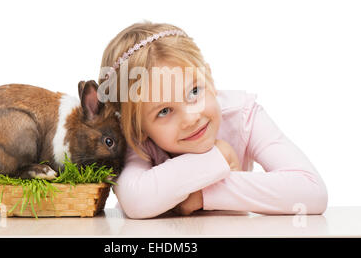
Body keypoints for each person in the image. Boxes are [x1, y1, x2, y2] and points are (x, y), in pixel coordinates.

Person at [97, 21, 328, 219]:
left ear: (210, 79)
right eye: (165, 111)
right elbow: (137, 200)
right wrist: (217, 158)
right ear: (137, 129)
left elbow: (311, 192)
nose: (190, 118)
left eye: (194, 92)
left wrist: (204, 195)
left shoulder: (242, 115)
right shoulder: (137, 141)